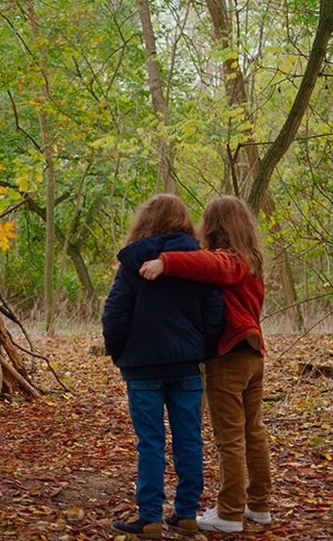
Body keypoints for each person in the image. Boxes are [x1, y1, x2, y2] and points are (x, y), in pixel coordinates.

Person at [139, 195, 272, 533]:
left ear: (214, 226)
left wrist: (166, 262)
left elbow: (211, 265)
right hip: (253, 354)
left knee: (230, 437)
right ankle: (258, 505)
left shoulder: (232, 260)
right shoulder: (252, 260)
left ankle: (229, 512)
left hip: (231, 357)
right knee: (253, 432)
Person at [102, 194, 225, 539]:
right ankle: (186, 514)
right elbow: (215, 315)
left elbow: (115, 315)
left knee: (151, 441)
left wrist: (120, 353)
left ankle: (150, 517)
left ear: (145, 221)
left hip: (143, 368)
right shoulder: (198, 264)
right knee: (189, 438)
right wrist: (201, 350)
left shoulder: (133, 264)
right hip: (185, 366)